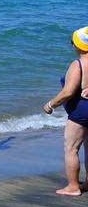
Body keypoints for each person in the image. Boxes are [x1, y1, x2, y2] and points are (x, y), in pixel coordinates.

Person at [43, 27, 88, 196]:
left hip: (81, 112)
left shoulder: (78, 64)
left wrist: (50, 104)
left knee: (71, 148)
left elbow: (68, 92)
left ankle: (73, 187)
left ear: (78, 46)